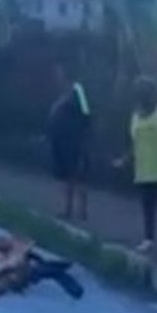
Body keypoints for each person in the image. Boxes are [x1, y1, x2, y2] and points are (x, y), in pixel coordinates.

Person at [114, 77, 157, 253]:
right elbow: (135, 144)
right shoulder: (135, 116)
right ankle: (148, 238)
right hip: (144, 169)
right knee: (147, 206)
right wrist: (125, 160)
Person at [47, 64, 92, 220]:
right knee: (65, 176)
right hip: (60, 140)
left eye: (59, 74)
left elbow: (86, 113)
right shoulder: (62, 93)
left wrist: (82, 136)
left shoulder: (77, 90)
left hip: (74, 140)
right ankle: (67, 209)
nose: (57, 78)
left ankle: (82, 211)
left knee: (78, 175)